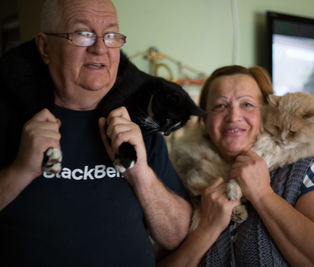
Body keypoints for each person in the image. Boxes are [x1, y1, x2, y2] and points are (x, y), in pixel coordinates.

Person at [0, 0, 191, 266]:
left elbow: (176, 236)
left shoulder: (136, 124)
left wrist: (141, 175)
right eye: (82, 34)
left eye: (110, 35)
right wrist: (20, 171)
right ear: (45, 48)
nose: (100, 48)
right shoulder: (8, 113)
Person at [158, 65, 314, 266]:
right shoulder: (180, 170)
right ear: (204, 120)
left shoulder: (305, 167)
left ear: (268, 112)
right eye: (219, 106)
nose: (234, 117)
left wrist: (262, 194)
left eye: (247, 105)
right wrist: (207, 228)